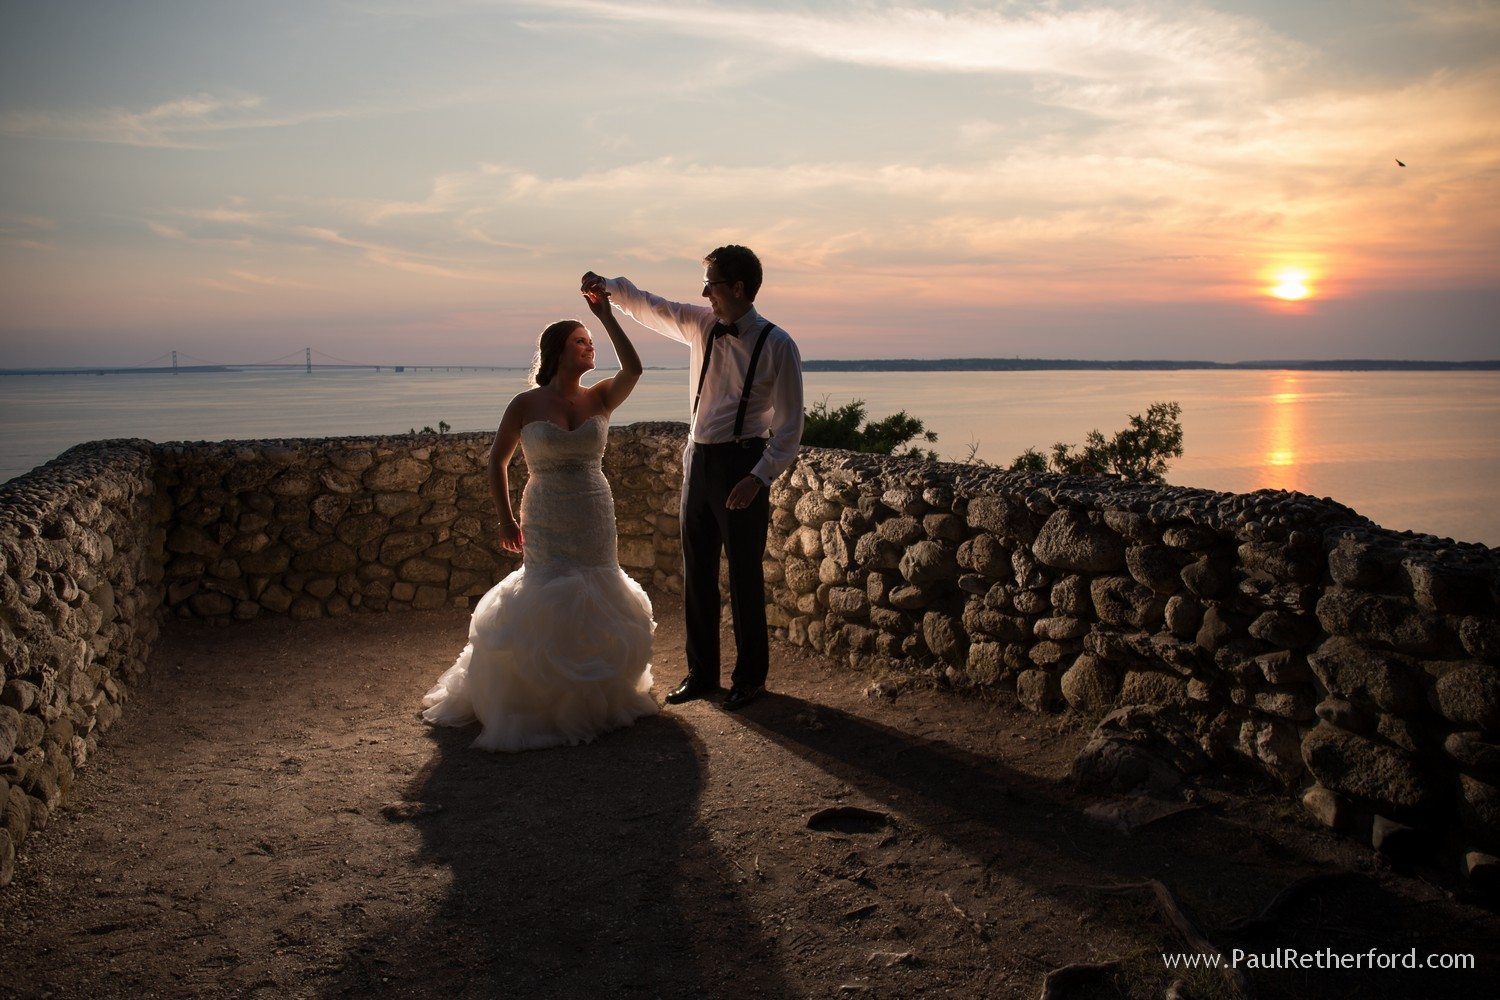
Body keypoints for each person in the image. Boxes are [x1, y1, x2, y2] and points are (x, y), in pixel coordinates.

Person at [420, 292, 658, 751]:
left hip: (593, 506)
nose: (589, 346)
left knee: (598, 585)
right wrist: (506, 520)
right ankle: (542, 699)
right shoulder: (525, 404)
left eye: (590, 340)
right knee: (548, 588)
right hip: (546, 507)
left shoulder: (601, 396)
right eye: (579, 341)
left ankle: (596, 695)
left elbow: (634, 369)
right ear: (557, 352)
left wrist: (607, 317)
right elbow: (497, 462)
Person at [581, 245, 803, 711]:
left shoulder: (778, 344)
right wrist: (608, 288)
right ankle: (701, 674)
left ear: (738, 288)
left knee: (744, 576)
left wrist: (758, 477)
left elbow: (788, 429)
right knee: (697, 572)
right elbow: (652, 305)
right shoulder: (702, 324)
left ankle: (750, 678)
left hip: (743, 464)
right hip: (698, 461)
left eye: (712, 285)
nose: (705, 294)